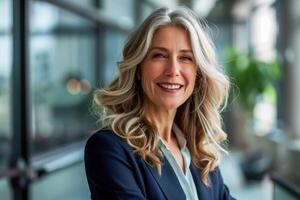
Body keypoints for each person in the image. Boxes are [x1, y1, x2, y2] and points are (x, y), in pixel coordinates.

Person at [84, 6, 236, 200]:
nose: (173, 69)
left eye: (185, 58)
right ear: (139, 68)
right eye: (159, 55)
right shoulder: (109, 149)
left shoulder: (200, 153)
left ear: (198, 74)